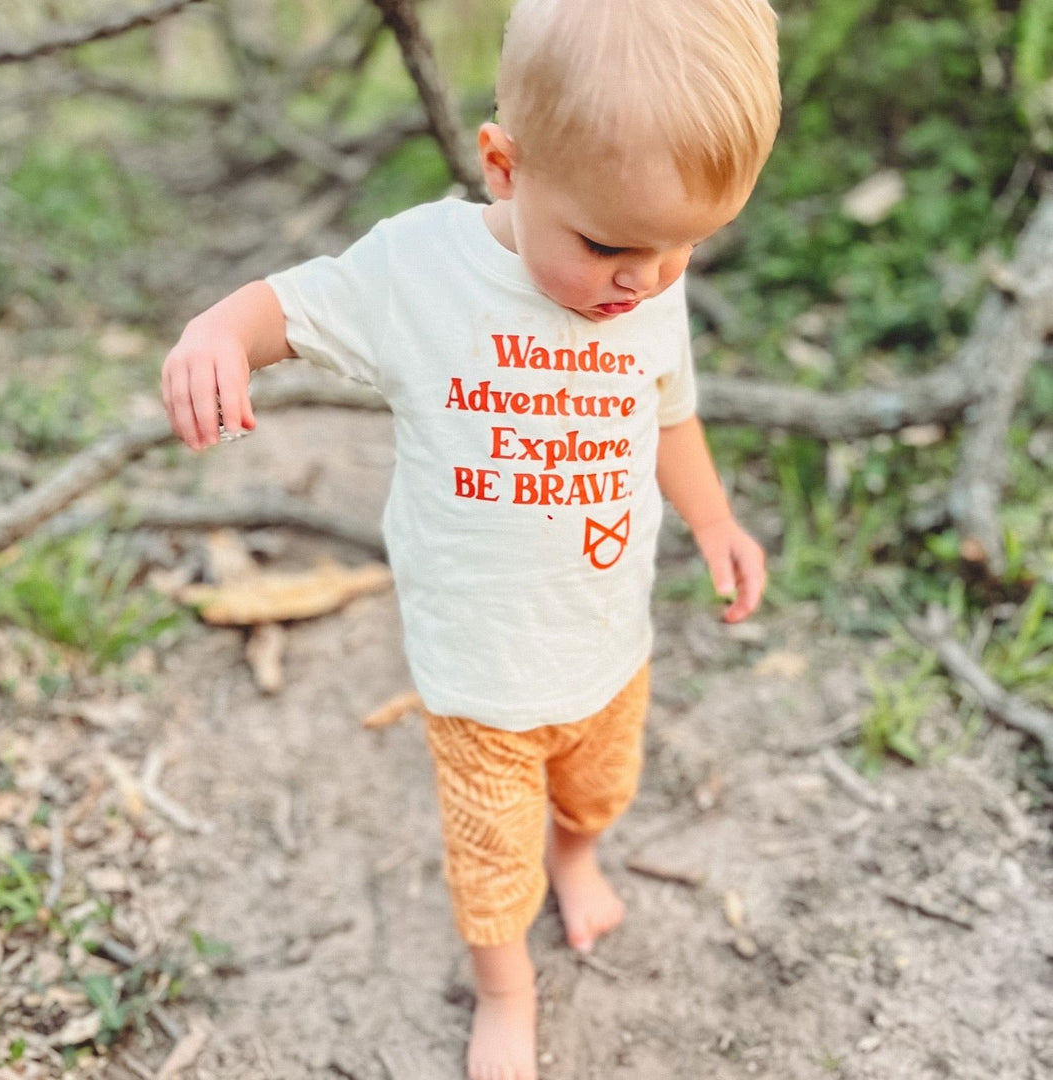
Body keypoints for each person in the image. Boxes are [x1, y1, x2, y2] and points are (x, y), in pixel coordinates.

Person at [161, 1, 780, 1075]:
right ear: (503, 165)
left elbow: (667, 411)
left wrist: (715, 517)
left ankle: (578, 862)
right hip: (477, 671)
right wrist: (220, 330)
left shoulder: (646, 288)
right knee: (493, 856)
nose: (646, 279)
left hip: (604, 641)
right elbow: (290, 308)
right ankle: (507, 990)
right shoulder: (420, 271)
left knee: (598, 792)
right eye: (608, 246)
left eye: (685, 246)